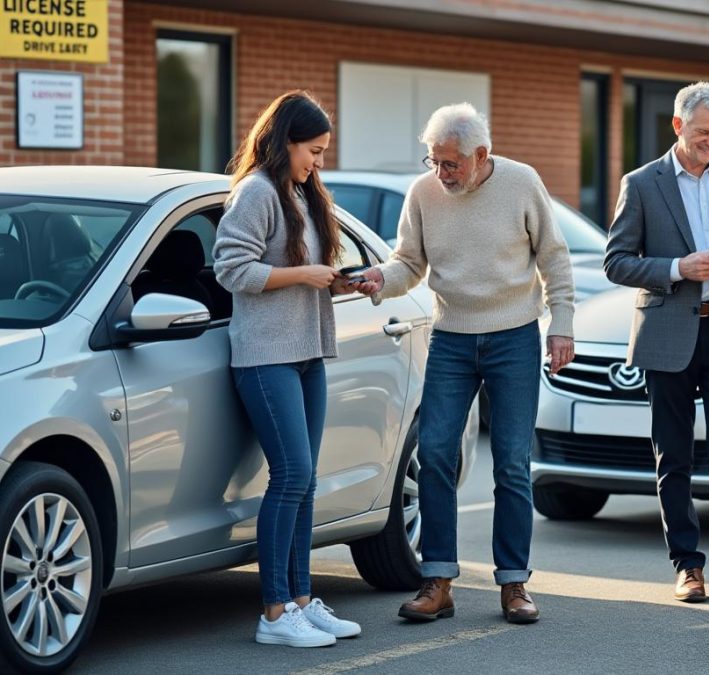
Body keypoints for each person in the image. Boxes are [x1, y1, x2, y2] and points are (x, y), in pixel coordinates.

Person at [353, 103, 575, 624]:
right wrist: (380, 281)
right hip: (451, 337)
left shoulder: (522, 183)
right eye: (434, 161)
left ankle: (514, 583)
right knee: (434, 452)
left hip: (515, 336)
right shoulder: (424, 193)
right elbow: (409, 262)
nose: (440, 174)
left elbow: (554, 257)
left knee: (512, 463)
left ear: (481, 155)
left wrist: (561, 323)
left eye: (450, 164)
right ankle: (438, 580)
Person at [604, 82, 709, 604]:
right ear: (678, 127)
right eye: (704, 133)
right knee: (673, 456)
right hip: (668, 334)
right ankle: (687, 566)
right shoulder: (642, 183)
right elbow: (616, 261)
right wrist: (678, 268)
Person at [214, 90, 364, 646]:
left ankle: (302, 599)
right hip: (264, 356)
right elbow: (231, 269)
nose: (318, 162)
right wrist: (303, 276)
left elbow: (304, 267)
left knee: (307, 481)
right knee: (293, 476)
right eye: (314, 151)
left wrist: (341, 279)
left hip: (306, 353)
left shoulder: (300, 192)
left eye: (323, 153)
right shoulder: (255, 191)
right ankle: (274, 614)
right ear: (285, 141)